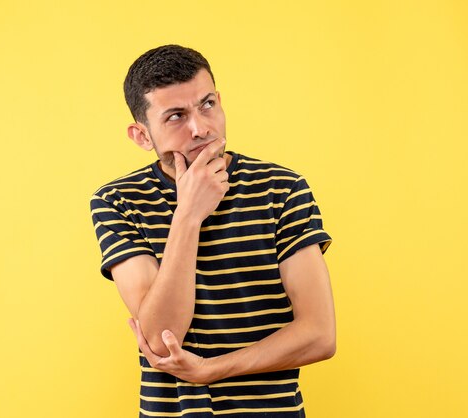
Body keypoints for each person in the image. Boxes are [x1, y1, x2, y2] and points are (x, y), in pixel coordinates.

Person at [90, 44, 336, 417]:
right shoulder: (118, 202)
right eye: (175, 116)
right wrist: (188, 215)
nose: (200, 128)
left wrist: (210, 370)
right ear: (142, 136)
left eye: (207, 104)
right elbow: (160, 337)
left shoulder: (282, 190)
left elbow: (319, 334)